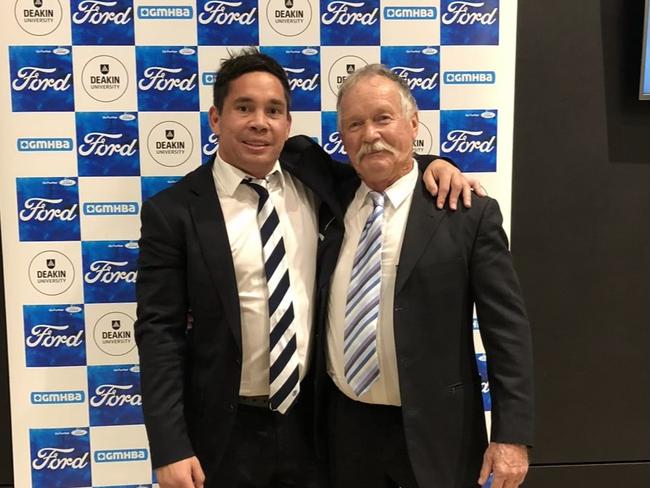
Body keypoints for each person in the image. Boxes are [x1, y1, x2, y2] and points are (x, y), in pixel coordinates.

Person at [134, 49, 483, 488]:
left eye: (274, 110)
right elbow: (158, 333)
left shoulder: (314, 180)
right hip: (222, 433)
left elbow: (382, 162)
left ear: (288, 123)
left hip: (314, 426)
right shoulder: (173, 212)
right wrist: (169, 446)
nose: (260, 122)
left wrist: (437, 164)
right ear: (215, 119)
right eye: (244, 108)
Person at [318, 64, 534, 488]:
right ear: (341, 137)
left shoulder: (467, 213)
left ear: (413, 123)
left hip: (439, 434)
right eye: (354, 124)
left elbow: (507, 331)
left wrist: (511, 436)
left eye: (383, 118)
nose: (370, 134)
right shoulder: (328, 200)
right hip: (345, 430)